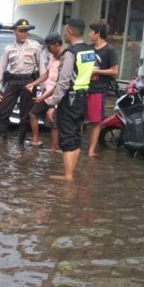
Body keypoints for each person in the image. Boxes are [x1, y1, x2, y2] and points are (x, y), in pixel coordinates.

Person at [46, 18, 96, 181]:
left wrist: (53, 103)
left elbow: (64, 80)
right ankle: (71, 173)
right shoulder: (89, 50)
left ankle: (68, 176)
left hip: (70, 97)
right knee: (75, 134)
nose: (64, 34)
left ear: (70, 32)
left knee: (67, 136)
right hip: (83, 96)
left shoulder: (70, 53)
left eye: (65, 31)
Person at [0, 18, 42, 142]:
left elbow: (42, 67)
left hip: (29, 81)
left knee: (25, 113)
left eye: (26, 30)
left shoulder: (35, 47)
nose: (24, 33)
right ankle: (1, 137)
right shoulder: (9, 49)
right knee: (3, 109)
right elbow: (1, 68)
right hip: (13, 81)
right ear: (14, 31)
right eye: (21, 31)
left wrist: (44, 87)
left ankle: (21, 141)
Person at [86, 19, 119, 157]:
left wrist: (96, 71)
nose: (89, 34)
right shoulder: (89, 48)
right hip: (85, 88)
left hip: (99, 89)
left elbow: (114, 71)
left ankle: (91, 150)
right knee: (80, 119)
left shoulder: (109, 50)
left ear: (97, 33)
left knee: (95, 121)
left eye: (91, 31)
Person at [26, 32, 63, 151]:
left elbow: (58, 86)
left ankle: (54, 149)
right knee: (33, 113)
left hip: (57, 96)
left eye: (49, 47)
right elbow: (46, 74)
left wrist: (42, 98)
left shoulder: (64, 59)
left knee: (53, 122)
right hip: (48, 93)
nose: (48, 50)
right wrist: (33, 83)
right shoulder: (53, 57)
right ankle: (36, 140)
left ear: (56, 45)